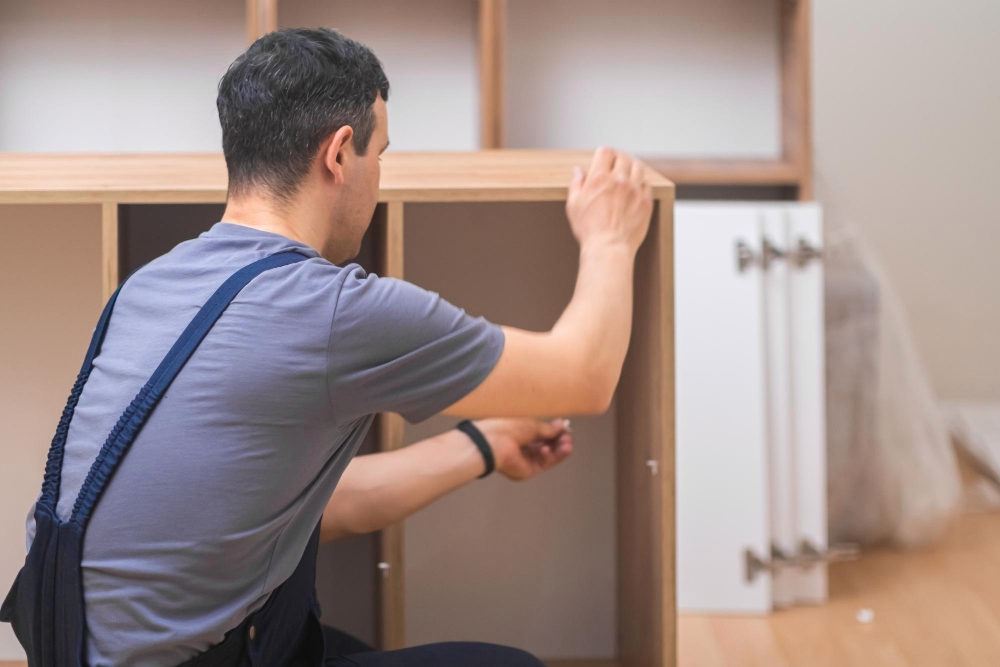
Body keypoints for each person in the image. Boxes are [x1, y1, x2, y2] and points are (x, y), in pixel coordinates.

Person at [1, 27, 653, 667]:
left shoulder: (152, 285)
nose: (381, 179)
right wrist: (609, 239)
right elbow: (585, 374)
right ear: (339, 154)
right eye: (381, 155)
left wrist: (482, 446)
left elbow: (293, 512)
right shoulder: (329, 309)